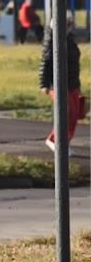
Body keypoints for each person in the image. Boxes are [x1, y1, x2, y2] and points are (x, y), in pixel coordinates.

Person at [38, 13, 84, 155]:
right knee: (66, 112)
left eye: (70, 23)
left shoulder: (69, 39)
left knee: (75, 114)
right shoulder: (51, 39)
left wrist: (78, 84)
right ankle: (55, 141)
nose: (69, 26)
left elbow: (75, 63)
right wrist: (44, 84)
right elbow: (45, 62)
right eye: (66, 23)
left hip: (72, 83)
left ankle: (64, 141)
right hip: (58, 84)